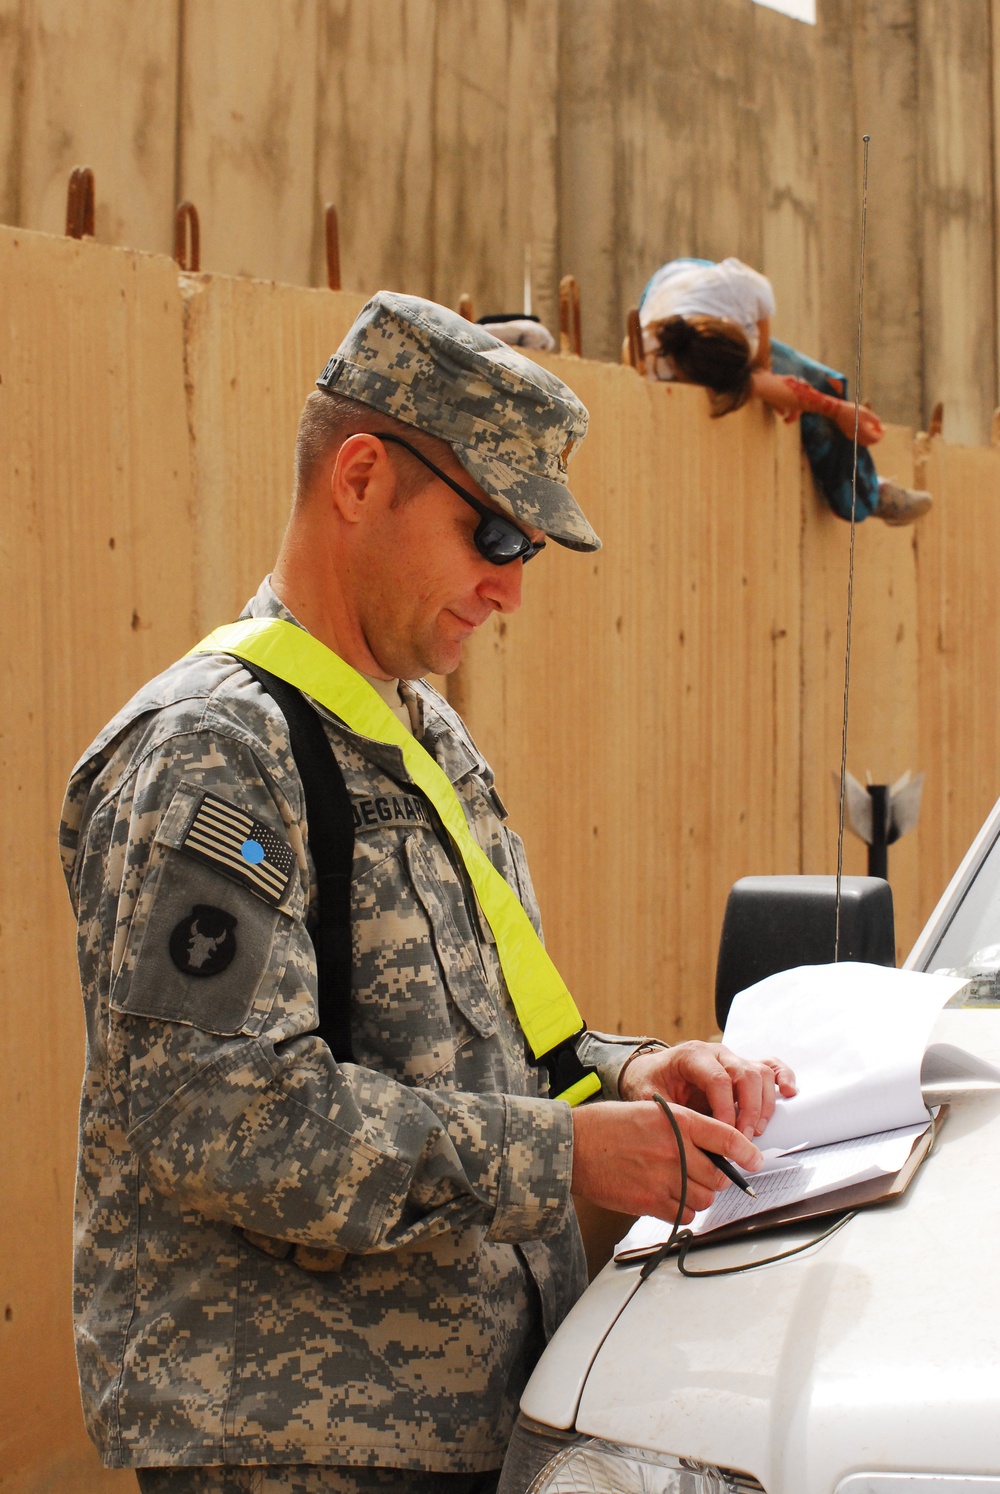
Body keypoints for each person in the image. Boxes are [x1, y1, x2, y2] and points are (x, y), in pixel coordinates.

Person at [60, 292, 796, 1494]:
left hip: (470, 1428)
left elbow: (487, 1045)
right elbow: (218, 1116)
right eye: (492, 538)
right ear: (359, 478)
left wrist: (625, 1077)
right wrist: (566, 1159)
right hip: (294, 1452)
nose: (510, 589)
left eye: (529, 552)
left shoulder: (420, 737)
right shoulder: (216, 751)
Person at [636, 257, 932, 526]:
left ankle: (866, 489)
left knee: (825, 383)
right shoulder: (657, 363)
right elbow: (761, 384)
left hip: (688, 273)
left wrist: (832, 405)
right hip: (663, 297)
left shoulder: (740, 288)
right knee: (808, 393)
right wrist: (814, 403)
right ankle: (868, 494)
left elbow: (764, 363)